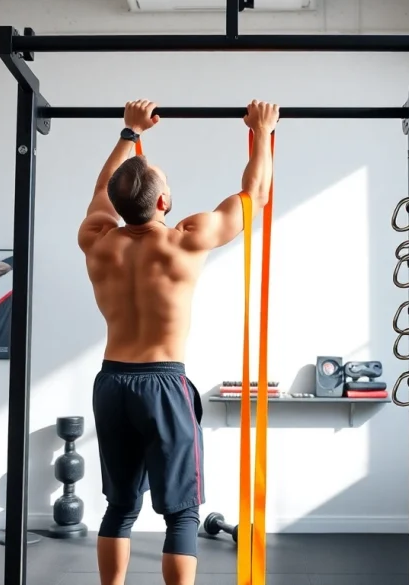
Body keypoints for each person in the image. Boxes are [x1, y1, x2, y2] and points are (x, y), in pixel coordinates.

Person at [78, 98, 279, 585]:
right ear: (164, 202)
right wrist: (262, 131)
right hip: (163, 386)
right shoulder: (186, 240)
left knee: (121, 506)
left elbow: (103, 190)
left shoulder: (97, 239)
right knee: (182, 514)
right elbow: (255, 192)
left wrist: (129, 133)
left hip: (111, 383)